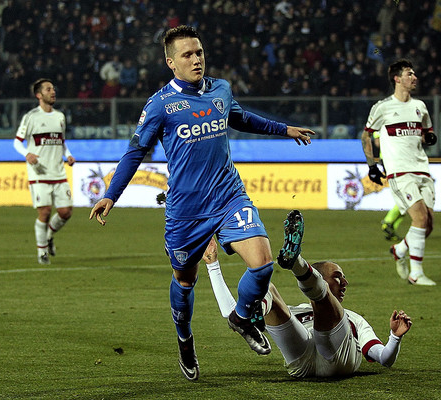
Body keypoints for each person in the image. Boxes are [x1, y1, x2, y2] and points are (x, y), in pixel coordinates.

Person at [88, 25, 314, 381]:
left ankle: (241, 317)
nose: (196, 60)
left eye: (200, 53)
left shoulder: (221, 89)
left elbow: (240, 118)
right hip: (186, 213)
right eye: (187, 55)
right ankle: (184, 339)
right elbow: (135, 152)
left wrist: (284, 129)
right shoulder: (161, 105)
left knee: (262, 263)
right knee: (185, 281)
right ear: (170, 63)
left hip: (228, 196)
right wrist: (110, 194)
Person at [203, 210, 412, 377]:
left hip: (338, 359)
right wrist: (213, 265)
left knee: (320, 309)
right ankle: (285, 278)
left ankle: (296, 263)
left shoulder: (355, 320)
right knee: (266, 289)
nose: (345, 282)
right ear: (321, 278)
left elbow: (384, 358)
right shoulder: (302, 312)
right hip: (302, 364)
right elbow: (233, 315)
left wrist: (394, 336)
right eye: (338, 276)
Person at [361, 59, 438, 286]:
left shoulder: (420, 106)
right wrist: (372, 166)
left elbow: (427, 131)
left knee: (428, 224)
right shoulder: (382, 107)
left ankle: (399, 250)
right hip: (399, 171)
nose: (414, 78)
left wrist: (429, 136)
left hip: (422, 169)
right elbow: (366, 136)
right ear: (397, 78)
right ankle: (416, 274)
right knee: (420, 218)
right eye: (409, 74)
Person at [13, 78, 75, 265]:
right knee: (45, 212)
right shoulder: (31, 117)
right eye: (48, 89)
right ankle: (42, 253)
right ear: (39, 95)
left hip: (58, 172)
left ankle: (48, 237)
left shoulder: (60, 117)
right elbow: (17, 142)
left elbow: (61, 142)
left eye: (53, 88)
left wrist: (69, 155)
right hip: (39, 173)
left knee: (65, 212)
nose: (53, 91)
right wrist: (27, 154)